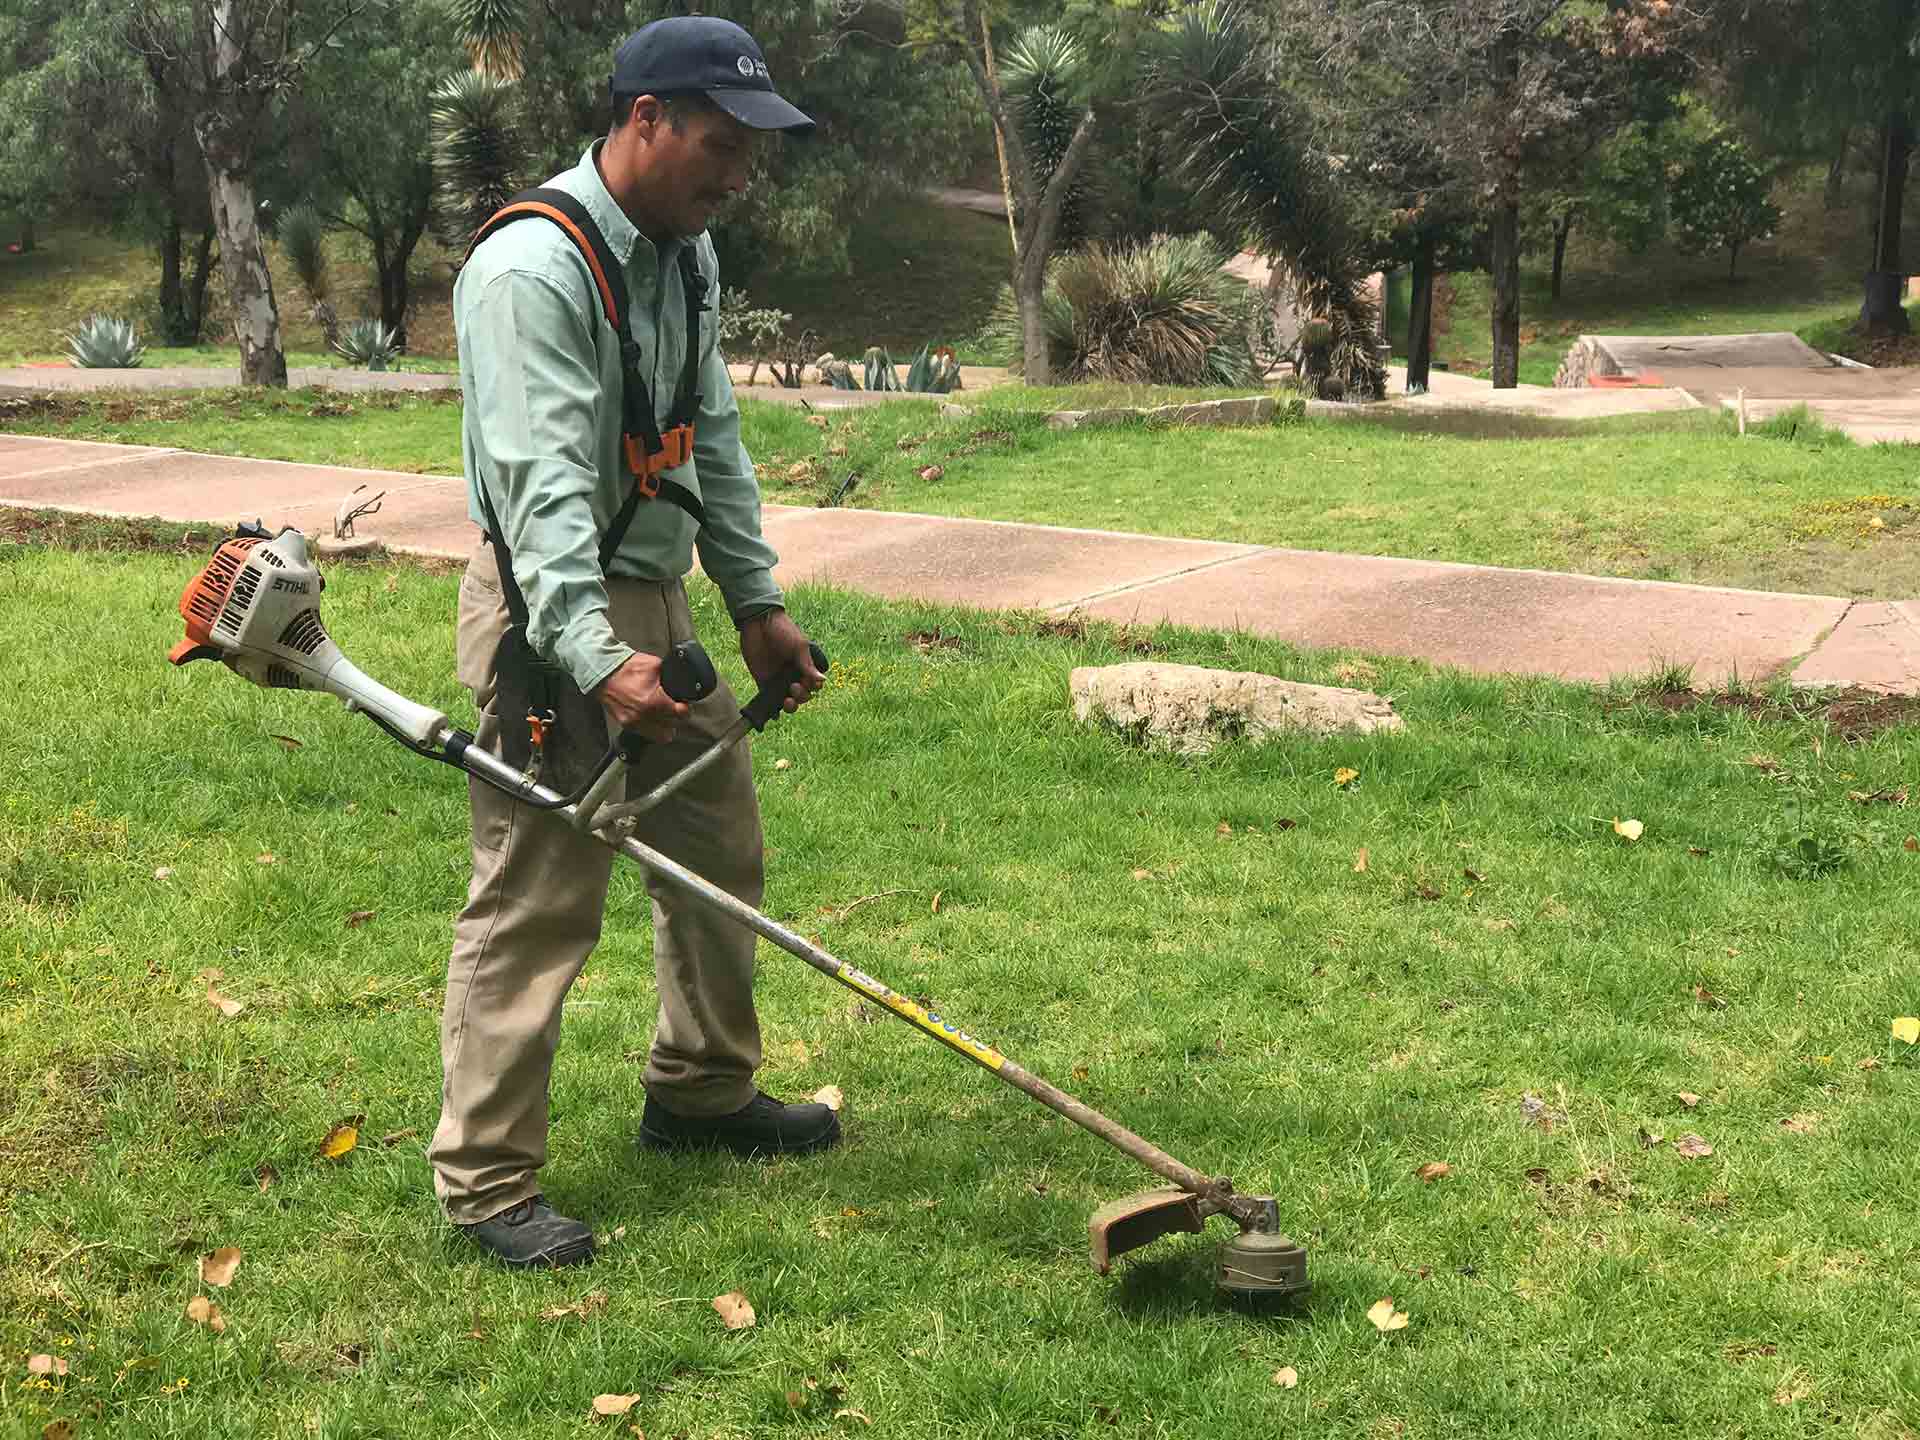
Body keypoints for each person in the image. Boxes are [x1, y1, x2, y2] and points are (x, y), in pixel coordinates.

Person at [429, 15, 836, 1270]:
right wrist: (597, 658)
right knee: (542, 889)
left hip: (654, 605)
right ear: (645, 120)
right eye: (721, 146)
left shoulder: (684, 254)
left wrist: (754, 601)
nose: (738, 177)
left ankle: (700, 1091)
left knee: (718, 848)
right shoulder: (532, 273)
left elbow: (704, 428)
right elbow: (541, 487)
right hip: (554, 621)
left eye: (753, 156)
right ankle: (488, 1180)